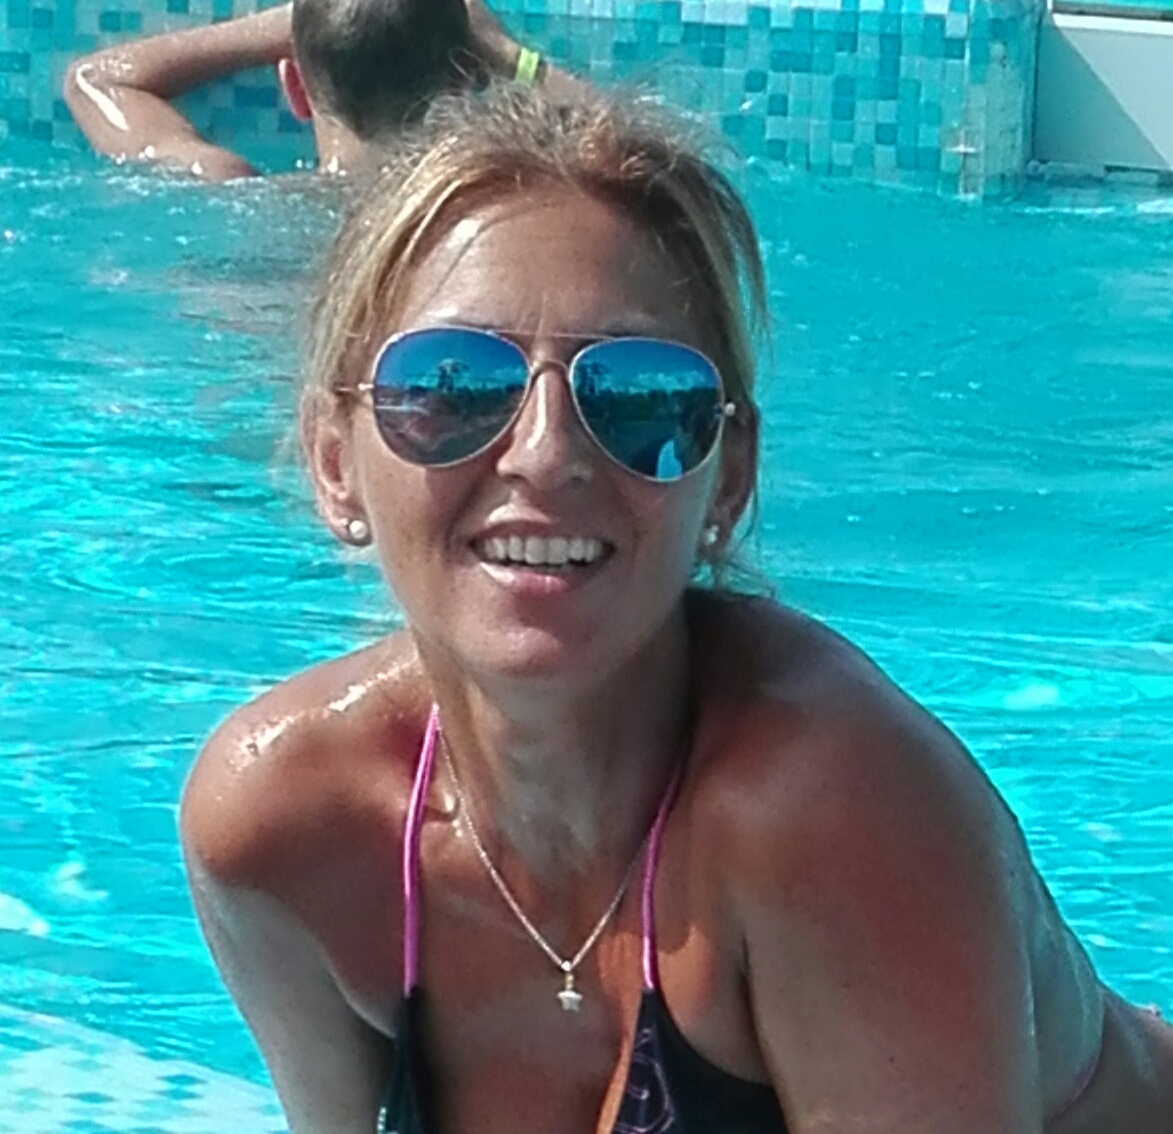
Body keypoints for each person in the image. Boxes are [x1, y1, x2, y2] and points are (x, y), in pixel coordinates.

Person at [180, 84, 1173, 1134]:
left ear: (728, 478)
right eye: (452, 386)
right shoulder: (284, 828)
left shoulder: (825, 811)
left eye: (640, 397)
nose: (545, 454)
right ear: (336, 463)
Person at [62, 0, 579, 180]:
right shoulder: (480, 206)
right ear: (465, 79)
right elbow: (618, 143)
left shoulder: (234, 188)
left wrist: (296, 27)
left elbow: (94, 80)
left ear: (294, 87)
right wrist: (509, 53)